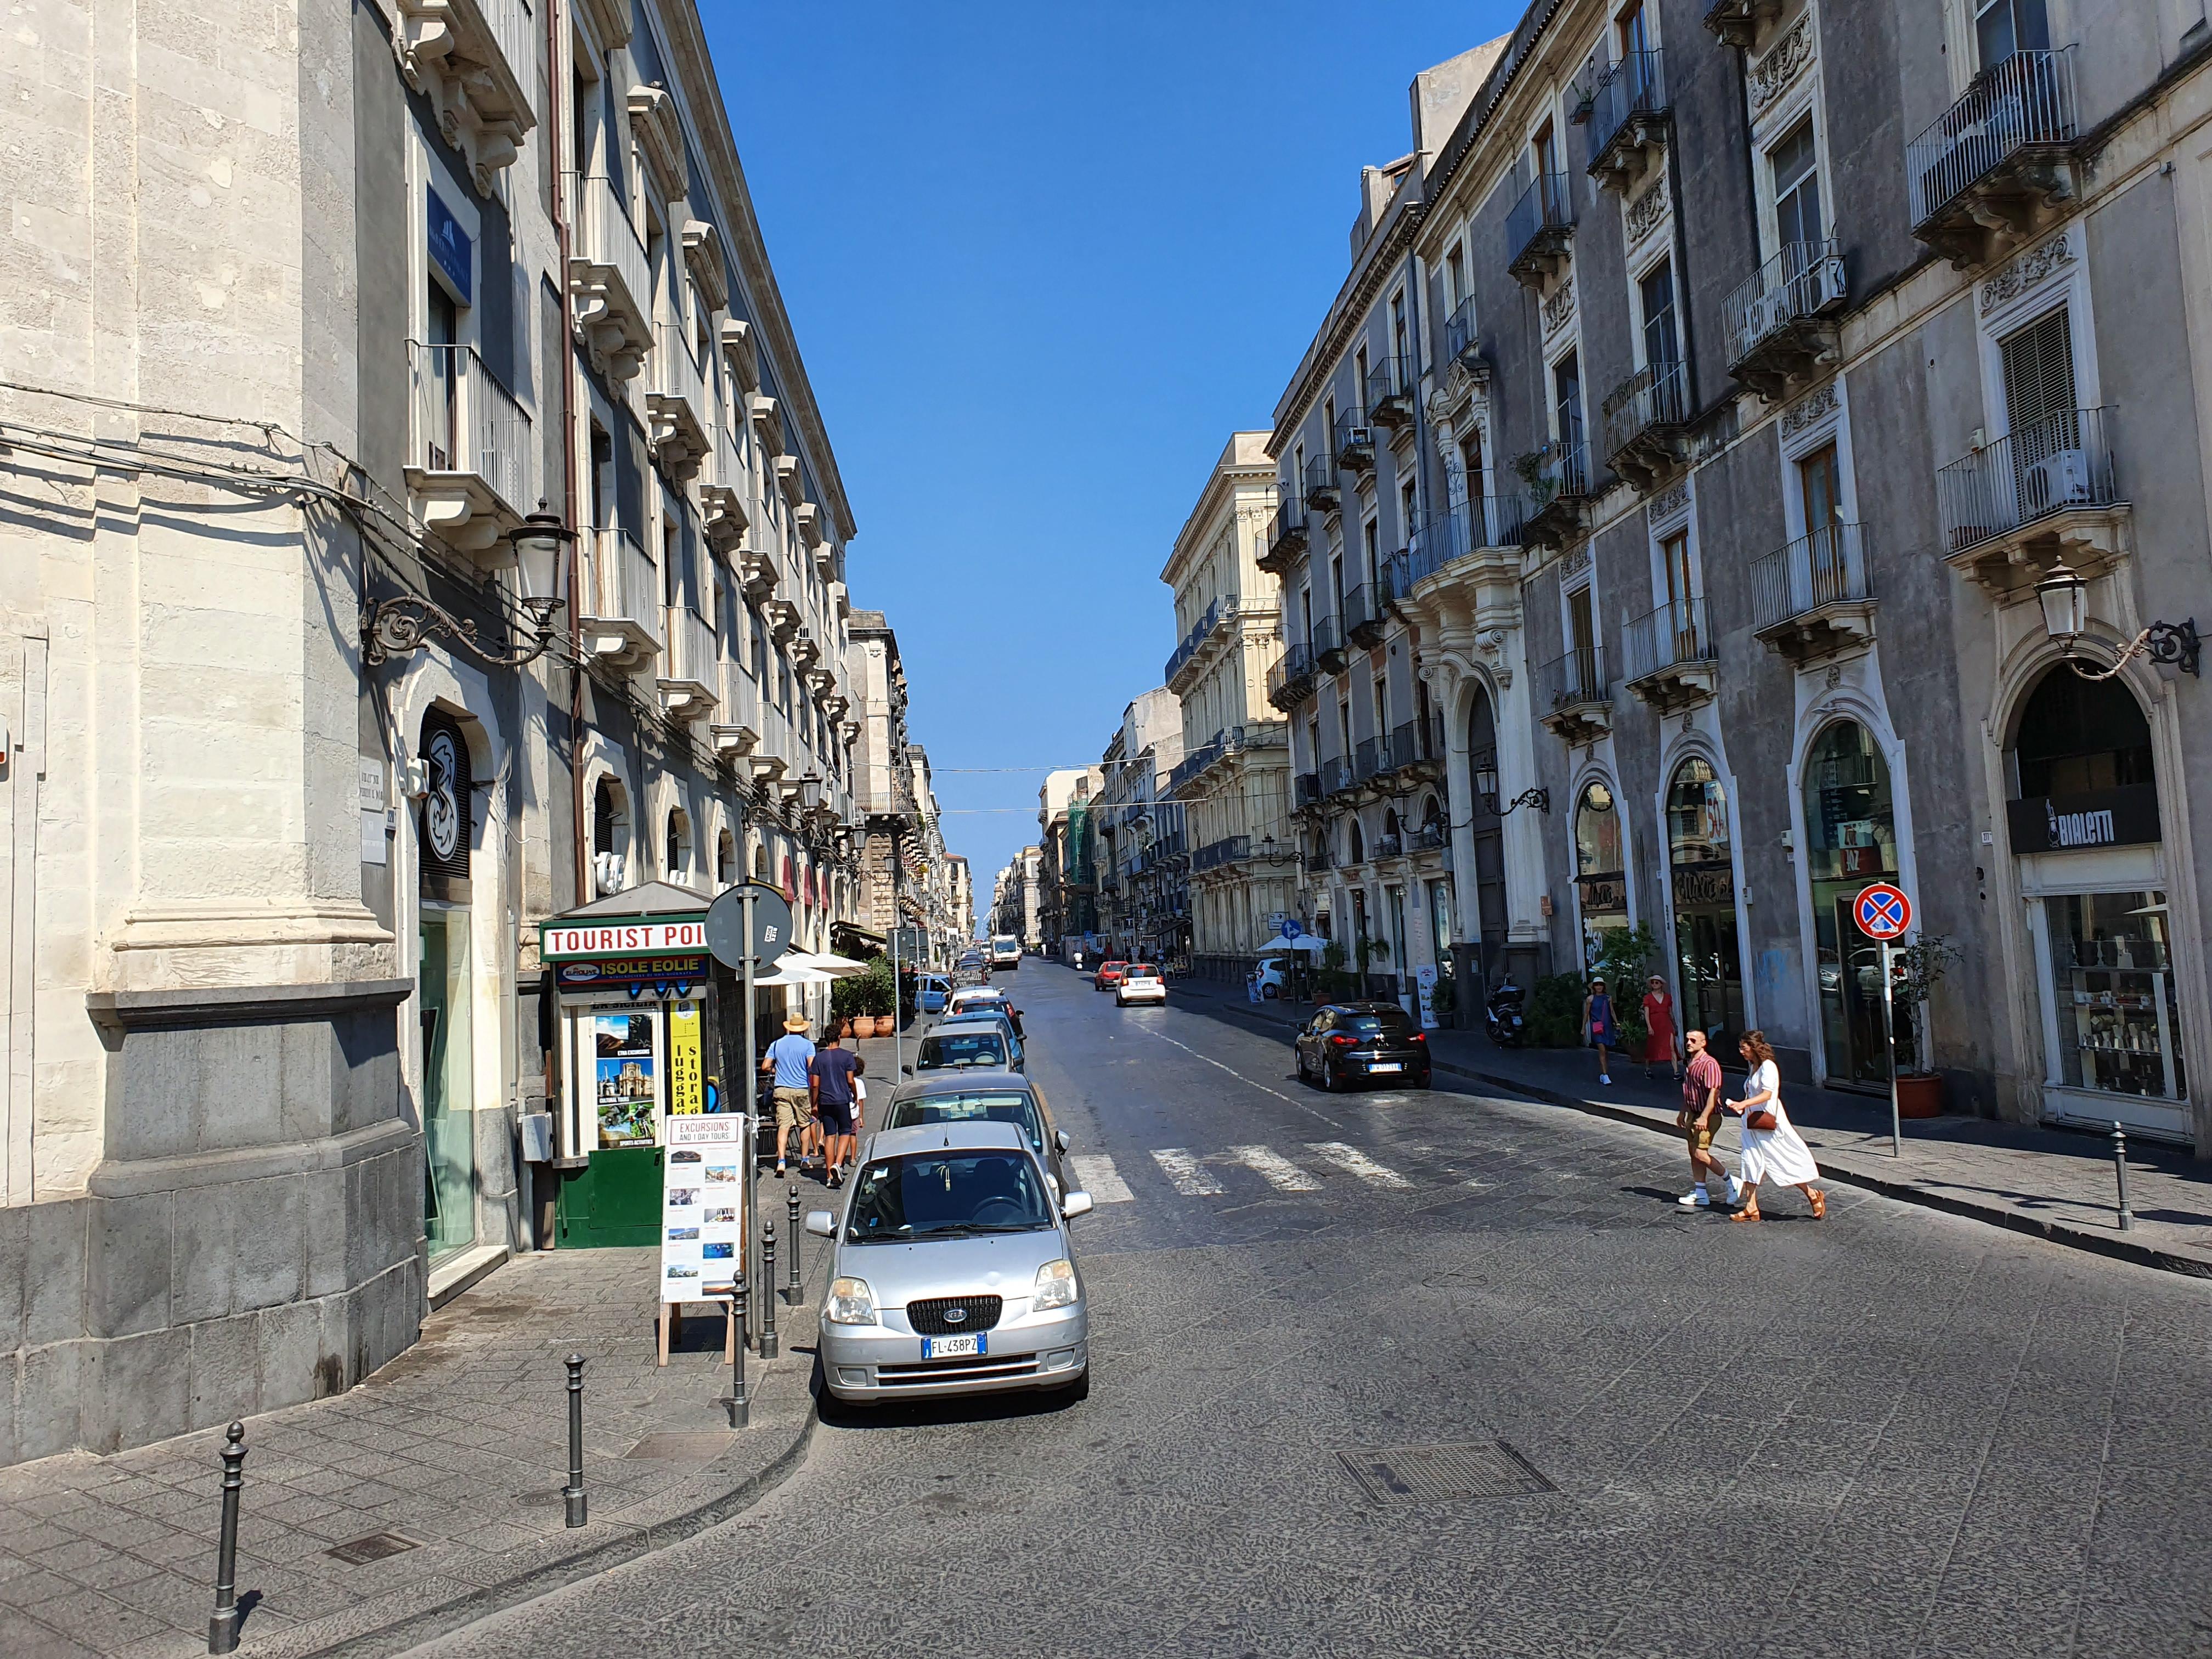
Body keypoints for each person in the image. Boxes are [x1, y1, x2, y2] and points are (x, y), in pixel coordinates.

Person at [1721, 1029, 1826, 1223]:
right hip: (1752, 1124)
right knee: (1750, 1161)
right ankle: (1751, 1207)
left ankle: (1812, 1194)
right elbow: (1753, 1093)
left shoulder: (1768, 1067)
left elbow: (1768, 1094)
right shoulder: (1753, 1066)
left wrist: (1744, 1104)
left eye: (1744, 1048)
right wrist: (1741, 1107)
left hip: (1768, 1125)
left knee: (1782, 1161)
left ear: (1754, 1048)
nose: (1741, 1052)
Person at [1675, 1029, 1741, 1209]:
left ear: (1703, 1043)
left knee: (1700, 1153)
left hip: (1709, 1116)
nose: (1689, 1043)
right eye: (1688, 1039)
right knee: (1693, 1153)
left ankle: (1731, 1180)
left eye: (1693, 1040)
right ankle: (1701, 1192)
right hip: (1693, 1114)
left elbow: (1714, 1092)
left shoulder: (1710, 1064)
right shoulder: (1690, 1062)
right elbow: (1689, 1091)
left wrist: (1704, 1116)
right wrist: (1683, 1112)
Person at [760, 1013, 816, 1178]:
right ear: (803, 1029)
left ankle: (781, 1161)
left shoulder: (776, 1044)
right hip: (800, 1089)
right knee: (804, 1124)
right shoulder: (808, 1046)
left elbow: (765, 1066)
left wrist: (779, 1071)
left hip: (781, 1089)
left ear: (789, 1028)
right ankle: (805, 1159)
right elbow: (812, 1066)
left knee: (784, 1126)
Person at [809, 1029, 865, 1188]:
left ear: (826, 1039)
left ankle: (828, 1175)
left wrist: (814, 1104)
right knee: (846, 1132)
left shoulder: (819, 1059)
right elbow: (850, 1080)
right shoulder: (847, 1056)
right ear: (839, 1037)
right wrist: (854, 1094)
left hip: (825, 1101)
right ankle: (838, 1164)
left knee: (829, 1136)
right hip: (842, 1100)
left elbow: (815, 1085)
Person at [1641, 974, 1680, 1082]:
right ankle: (1648, 1068)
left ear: (1661, 984)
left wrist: (1675, 1025)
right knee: (1652, 1047)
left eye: (1656, 982)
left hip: (1666, 1023)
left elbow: (1670, 1012)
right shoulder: (1648, 998)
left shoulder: (1668, 997)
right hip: (1655, 1023)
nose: (1654, 984)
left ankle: (1676, 1072)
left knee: (1671, 1047)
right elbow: (1647, 1013)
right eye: (1653, 982)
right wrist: (1649, 1026)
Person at [1583, 975, 1617, 1086]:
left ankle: (1604, 1074)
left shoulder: (1608, 998)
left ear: (1603, 986)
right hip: (1597, 1027)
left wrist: (1617, 1023)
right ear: (1594, 987)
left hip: (1607, 1026)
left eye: (1600, 985)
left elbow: (1612, 1011)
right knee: (1602, 1049)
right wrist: (1584, 1027)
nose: (1598, 987)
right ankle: (1605, 1074)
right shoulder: (1590, 999)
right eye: (1596, 985)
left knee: (1606, 1051)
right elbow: (1587, 1014)